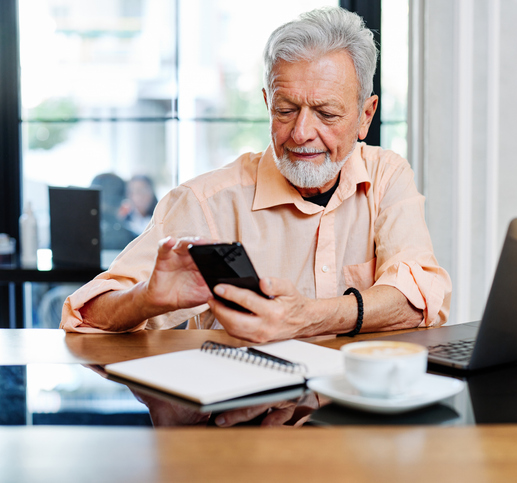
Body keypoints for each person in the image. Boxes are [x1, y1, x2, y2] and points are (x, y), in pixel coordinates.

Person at [60, 7, 451, 342]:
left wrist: (307, 317)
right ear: (267, 102)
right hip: (243, 422)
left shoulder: (386, 175)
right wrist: (145, 299)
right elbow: (84, 317)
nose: (301, 133)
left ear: (365, 116)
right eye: (285, 110)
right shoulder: (203, 202)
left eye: (327, 114)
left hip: (357, 417)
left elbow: (420, 296)